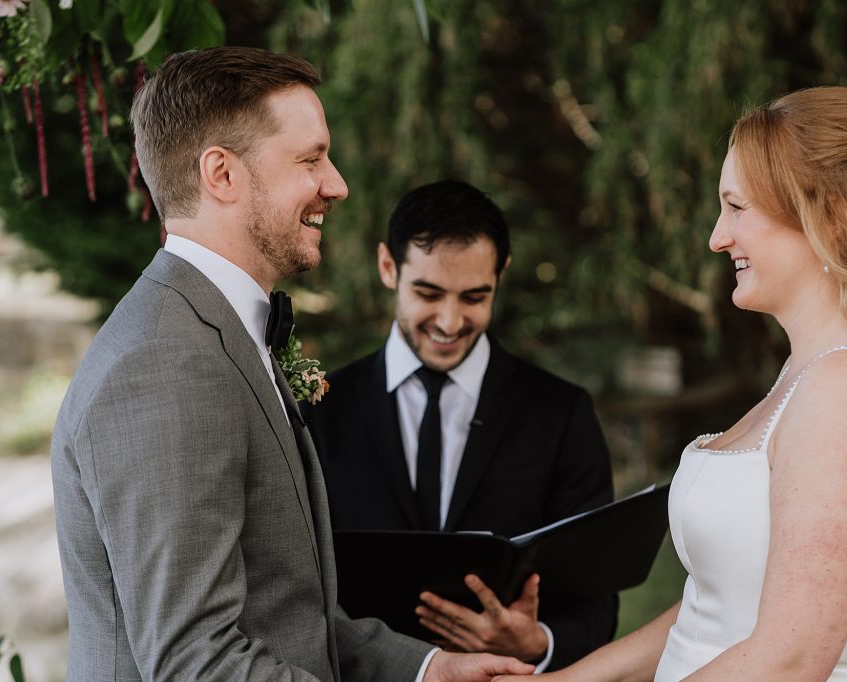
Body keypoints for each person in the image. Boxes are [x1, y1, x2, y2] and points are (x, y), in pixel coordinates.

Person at [50, 47, 534, 682]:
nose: (337, 184)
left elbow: (289, 613)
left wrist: (429, 670)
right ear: (222, 174)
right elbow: (197, 662)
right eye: (310, 160)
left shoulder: (217, 330)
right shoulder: (166, 363)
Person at [495, 86, 847, 681]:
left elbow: (791, 659)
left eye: (737, 207)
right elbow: (711, 611)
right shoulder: (809, 374)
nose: (717, 237)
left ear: (827, 214)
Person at [305, 180, 618, 670]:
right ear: (388, 267)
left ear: (500, 274)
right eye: (428, 293)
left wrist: (536, 643)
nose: (450, 322)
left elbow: (597, 601)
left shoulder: (561, 413)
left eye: (474, 297)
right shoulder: (319, 410)